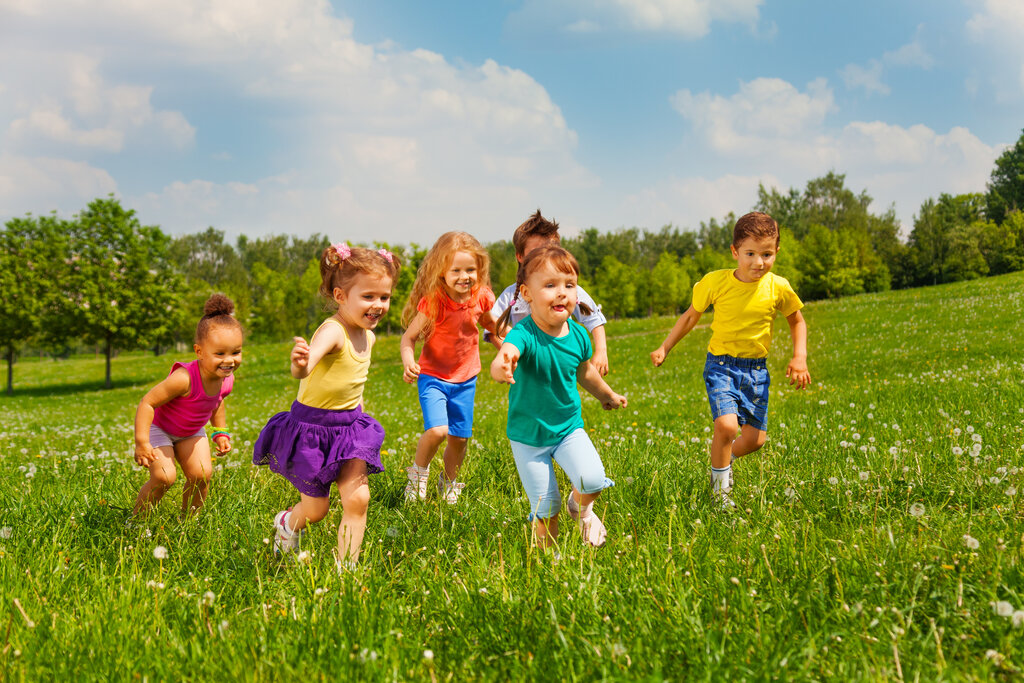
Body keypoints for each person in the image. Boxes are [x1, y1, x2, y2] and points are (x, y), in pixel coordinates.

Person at [253, 244, 400, 569]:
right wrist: (300, 364)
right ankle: (287, 523)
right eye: (368, 297)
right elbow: (305, 370)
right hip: (313, 432)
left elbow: (354, 382)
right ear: (340, 295)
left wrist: (358, 412)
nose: (378, 305)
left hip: (349, 430)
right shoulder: (333, 331)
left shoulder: (369, 336)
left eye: (384, 297)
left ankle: (346, 571)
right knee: (316, 511)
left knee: (358, 500)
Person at [650, 211, 810, 509]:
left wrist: (799, 357)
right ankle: (720, 496)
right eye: (750, 253)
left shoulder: (779, 287)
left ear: (776, 252)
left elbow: (796, 321)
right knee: (726, 426)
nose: (758, 262)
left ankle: (723, 460)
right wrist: (665, 347)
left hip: (757, 371)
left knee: (754, 441)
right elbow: (689, 317)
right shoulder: (716, 282)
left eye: (767, 254)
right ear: (735, 252)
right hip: (722, 366)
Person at [491, 245, 626, 550]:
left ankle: (579, 508)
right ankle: (549, 565)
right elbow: (507, 353)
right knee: (545, 508)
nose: (562, 292)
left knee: (592, 480)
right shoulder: (523, 333)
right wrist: (502, 366)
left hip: (568, 429)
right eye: (550, 286)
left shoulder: (578, 335)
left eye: (569, 285)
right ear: (527, 294)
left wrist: (607, 395)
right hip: (529, 438)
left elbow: (586, 373)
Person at [400, 231, 499, 504]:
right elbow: (408, 338)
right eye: (456, 270)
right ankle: (418, 475)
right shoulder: (434, 301)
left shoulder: (482, 297)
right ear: (441, 272)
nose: (464, 276)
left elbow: (494, 328)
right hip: (433, 377)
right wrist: (410, 361)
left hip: (466, 380)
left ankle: (449, 483)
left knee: (459, 439)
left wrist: (510, 348)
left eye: (471, 269)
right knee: (438, 431)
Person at [132, 293, 243, 516]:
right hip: (160, 429)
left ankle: (188, 524)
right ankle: (136, 521)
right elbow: (148, 403)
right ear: (199, 352)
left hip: (191, 432)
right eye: (220, 353)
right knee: (164, 477)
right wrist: (142, 442)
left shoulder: (225, 378)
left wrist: (220, 432)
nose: (229, 360)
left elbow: (217, 402)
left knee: (201, 475)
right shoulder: (185, 378)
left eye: (236, 352)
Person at [490, 210, 611, 375]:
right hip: (528, 370)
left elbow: (593, 318)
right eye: (536, 252)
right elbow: (493, 327)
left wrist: (601, 351)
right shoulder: (512, 294)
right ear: (520, 256)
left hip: (562, 363)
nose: (545, 257)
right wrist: (510, 357)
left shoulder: (569, 289)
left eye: (550, 251)